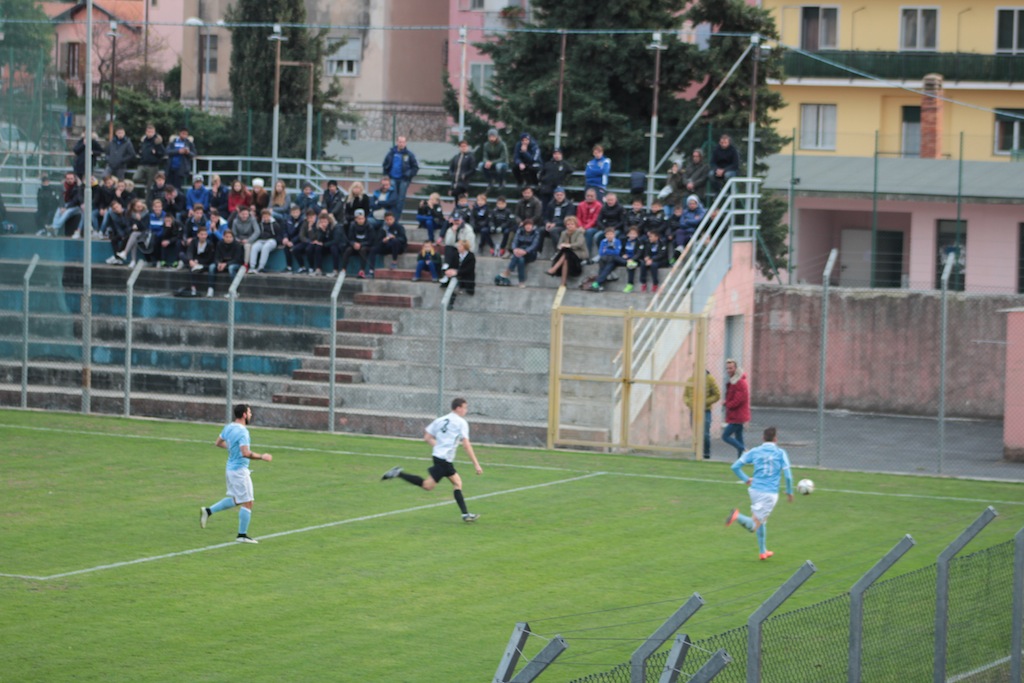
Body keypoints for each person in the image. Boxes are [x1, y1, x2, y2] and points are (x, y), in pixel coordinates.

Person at [381, 397, 482, 522]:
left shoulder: (440, 420)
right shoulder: (461, 423)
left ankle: (465, 514)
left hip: (439, 457)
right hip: (444, 460)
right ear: (458, 408)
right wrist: (476, 464)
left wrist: (439, 447)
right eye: (465, 408)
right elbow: (466, 445)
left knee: (457, 483)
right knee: (427, 486)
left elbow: (427, 437)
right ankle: (398, 473)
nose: (466, 410)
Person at [200, 403, 273, 544]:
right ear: (244, 415)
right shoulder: (243, 432)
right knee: (248, 502)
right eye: (249, 412)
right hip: (239, 471)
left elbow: (218, 443)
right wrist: (262, 456)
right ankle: (242, 535)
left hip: (230, 469)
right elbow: (245, 453)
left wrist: (233, 449)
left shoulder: (229, 427)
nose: (251, 415)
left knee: (237, 499)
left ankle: (208, 511)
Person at [726, 426, 793, 560]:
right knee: (754, 525)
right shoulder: (780, 453)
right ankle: (737, 516)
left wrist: (746, 479)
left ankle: (763, 551)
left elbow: (735, 467)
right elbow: (788, 476)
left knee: (762, 520)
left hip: (755, 491)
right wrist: (789, 492)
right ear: (775, 439)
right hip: (769, 494)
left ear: (763, 438)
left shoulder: (755, 451)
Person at [684, 369, 721, 459]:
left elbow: (717, 395)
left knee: (705, 434)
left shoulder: (710, 379)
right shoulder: (690, 380)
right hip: (694, 411)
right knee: (695, 433)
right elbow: (685, 395)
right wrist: (689, 403)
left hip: (705, 411)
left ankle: (706, 453)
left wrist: (704, 402)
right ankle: (696, 453)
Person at [382, 135, 419, 219]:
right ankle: (390, 217)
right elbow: (385, 165)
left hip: (404, 180)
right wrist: (386, 176)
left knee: (400, 199)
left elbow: (415, 167)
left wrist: (408, 174)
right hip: (392, 179)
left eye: (403, 142)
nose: (401, 144)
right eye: (400, 142)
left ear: (405, 143)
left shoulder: (409, 154)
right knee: (392, 198)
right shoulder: (391, 153)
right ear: (397, 142)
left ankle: (396, 218)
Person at [546, 215, 588, 287]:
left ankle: (554, 269)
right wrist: (560, 246)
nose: (570, 226)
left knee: (566, 253)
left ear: (575, 225)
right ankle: (563, 283)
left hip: (579, 253)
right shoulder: (564, 233)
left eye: (572, 224)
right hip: (568, 254)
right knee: (566, 258)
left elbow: (579, 244)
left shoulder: (579, 232)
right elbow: (559, 244)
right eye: (568, 224)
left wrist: (568, 245)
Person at [500, 218, 541, 287]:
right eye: (526, 225)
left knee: (518, 257)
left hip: (531, 253)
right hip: (520, 251)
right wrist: (515, 249)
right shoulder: (519, 231)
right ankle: (521, 282)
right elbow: (515, 241)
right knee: (520, 260)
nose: (528, 227)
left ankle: (508, 271)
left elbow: (534, 245)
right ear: (524, 226)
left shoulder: (536, 233)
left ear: (532, 226)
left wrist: (525, 251)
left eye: (530, 225)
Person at [722, 358, 751, 458]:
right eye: (727, 368)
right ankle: (741, 458)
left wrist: (727, 404)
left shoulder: (739, 382)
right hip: (737, 415)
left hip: (738, 416)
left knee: (725, 436)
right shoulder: (735, 381)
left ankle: (744, 450)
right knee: (739, 438)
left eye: (731, 368)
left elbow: (738, 400)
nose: (728, 370)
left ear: (736, 368)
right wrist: (727, 403)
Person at [439, 239, 476, 310]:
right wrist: (449, 271)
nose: (458, 248)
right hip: (456, 275)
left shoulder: (471, 256)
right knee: (453, 279)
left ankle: (450, 302)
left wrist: (457, 272)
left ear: (464, 247)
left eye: (460, 246)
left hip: (466, 277)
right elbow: (452, 265)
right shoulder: (456, 254)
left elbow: (469, 269)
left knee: (455, 280)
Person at [208, 229, 244, 296]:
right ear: (223, 237)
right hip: (222, 264)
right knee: (211, 267)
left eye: (230, 237)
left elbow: (237, 259)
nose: (228, 239)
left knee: (231, 268)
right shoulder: (219, 244)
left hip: (234, 264)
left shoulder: (237, 245)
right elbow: (216, 257)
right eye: (227, 237)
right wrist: (218, 263)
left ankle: (234, 290)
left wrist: (226, 264)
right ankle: (210, 289)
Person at [537, 147, 573, 213]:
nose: (557, 156)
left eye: (558, 154)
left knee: (555, 206)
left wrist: (565, 181)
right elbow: (541, 174)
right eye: (555, 154)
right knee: (545, 206)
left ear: (561, 155)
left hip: (557, 189)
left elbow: (570, 172)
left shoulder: (564, 164)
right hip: (546, 189)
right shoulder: (548, 164)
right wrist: (543, 180)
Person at [133, 123, 165, 195]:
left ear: (154, 132)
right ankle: (145, 181)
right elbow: (139, 150)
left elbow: (163, 153)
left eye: (151, 131)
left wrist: (156, 152)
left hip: (153, 166)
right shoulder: (143, 141)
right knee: (136, 178)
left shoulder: (158, 141)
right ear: (146, 132)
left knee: (149, 187)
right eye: (148, 131)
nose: (150, 133)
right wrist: (140, 153)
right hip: (143, 164)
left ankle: (148, 201)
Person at [250, 208, 282, 273]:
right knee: (254, 247)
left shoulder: (275, 224)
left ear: (270, 216)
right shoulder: (260, 224)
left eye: (267, 216)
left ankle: (261, 267)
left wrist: (277, 242)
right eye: (264, 217)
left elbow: (279, 235)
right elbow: (258, 234)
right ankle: (252, 267)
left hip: (272, 241)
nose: (265, 218)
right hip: (261, 240)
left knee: (265, 248)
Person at [637, 227, 669, 293]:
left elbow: (662, 255)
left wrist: (652, 259)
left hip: (661, 260)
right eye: (649, 237)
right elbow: (646, 252)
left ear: (656, 237)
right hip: (651, 260)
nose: (649, 238)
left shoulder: (663, 243)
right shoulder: (648, 243)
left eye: (651, 237)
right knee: (642, 264)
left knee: (653, 265)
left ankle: (655, 284)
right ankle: (643, 283)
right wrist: (646, 257)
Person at [477, 127, 509, 192]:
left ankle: (501, 182)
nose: (491, 138)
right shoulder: (486, 145)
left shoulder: (502, 144)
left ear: (496, 136)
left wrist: (492, 162)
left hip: (502, 163)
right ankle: (490, 181)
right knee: (481, 165)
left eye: (493, 136)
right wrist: (486, 162)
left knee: (498, 166)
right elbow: (484, 157)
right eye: (490, 137)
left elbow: (503, 158)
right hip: (491, 163)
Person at [166, 126, 197, 191]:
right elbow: (167, 151)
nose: (184, 135)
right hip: (171, 168)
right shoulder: (173, 142)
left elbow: (194, 154)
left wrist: (187, 152)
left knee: (177, 188)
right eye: (183, 133)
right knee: (169, 187)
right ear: (180, 133)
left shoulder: (189, 143)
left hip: (181, 169)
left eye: (186, 134)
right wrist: (178, 151)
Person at [575, 187, 603, 257]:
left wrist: (585, 228)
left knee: (589, 232)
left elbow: (595, 219)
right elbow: (578, 217)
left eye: (591, 196)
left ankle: (587, 255)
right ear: (585, 196)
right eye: (588, 196)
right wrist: (580, 226)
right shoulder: (581, 205)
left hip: (594, 227)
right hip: (581, 226)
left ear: (595, 196)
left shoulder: (598, 205)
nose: (589, 197)